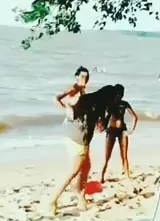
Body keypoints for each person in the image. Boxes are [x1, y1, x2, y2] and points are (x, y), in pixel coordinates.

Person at [50, 85, 117, 214]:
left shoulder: (88, 100)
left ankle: (81, 198)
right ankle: (52, 200)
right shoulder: (99, 107)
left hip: (73, 135)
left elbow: (70, 107)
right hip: (80, 140)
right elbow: (100, 128)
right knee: (74, 171)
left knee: (85, 168)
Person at [100, 84, 138, 182]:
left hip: (122, 131)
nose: (119, 96)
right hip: (111, 131)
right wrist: (103, 128)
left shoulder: (124, 104)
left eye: (121, 94)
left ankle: (127, 175)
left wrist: (131, 131)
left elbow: (135, 117)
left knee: (124, 156)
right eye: (117, 94)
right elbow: (104, 117)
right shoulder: (110, 104)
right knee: (107, 156)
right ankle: (102, 177)